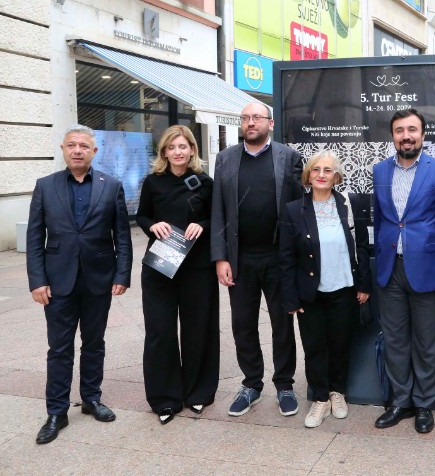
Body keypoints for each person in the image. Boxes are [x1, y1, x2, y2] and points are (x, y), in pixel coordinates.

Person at [26, 125, 133, 444]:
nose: (77, 150)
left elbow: (122, 237)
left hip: (99, 279)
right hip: (57, 281)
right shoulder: (45, 186)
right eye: (71, 145)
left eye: (83, 146)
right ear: (62, 149)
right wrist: (37, 280)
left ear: (94, 151)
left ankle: (91, 399)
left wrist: (121, 275)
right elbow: (34, 238)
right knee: (59, 347)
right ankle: (57, 411)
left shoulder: (110, 185)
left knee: (94, 343)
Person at [211, 102, 304, 417]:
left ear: (271, 123)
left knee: (282, 324)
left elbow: (297, 208)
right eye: (245, 118)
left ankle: (284, 385)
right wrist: (220, 257)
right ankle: (251, 383)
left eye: (256, 118)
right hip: (240, 259)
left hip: (278, 258)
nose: (250, 122)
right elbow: (218, 211)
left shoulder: (288, 158)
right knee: (243, 324)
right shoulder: (225, 159)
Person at [372, 108, 435, 434]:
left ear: (423, 134)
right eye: (399, 130)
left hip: (428, 270)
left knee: (426, 342)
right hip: (389, 270)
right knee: (395, 341)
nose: (406, 135)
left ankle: (424, 404)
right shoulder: (379, 171)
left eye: (412, 129)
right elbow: (381, 221)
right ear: (393, 135)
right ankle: (400, 401)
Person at [279, 150, 371, 428]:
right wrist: (291, 298)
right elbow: (285, 257)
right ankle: (320, 398)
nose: (321, 174)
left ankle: (337, 393)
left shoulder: (348, 204)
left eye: (327, 170)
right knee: (314, 347)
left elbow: (363, 247)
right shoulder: (294, 210)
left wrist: (364, 284)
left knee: (340, 344)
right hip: (311, 294)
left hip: (344, 289)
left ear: (336, 176)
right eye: (316, 169)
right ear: (308, 175)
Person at [136, 126, 218, 424]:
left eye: (183, 146)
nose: (178, 152)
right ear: (164, 152)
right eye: (172, 147)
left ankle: (197, 393)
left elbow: (215, 217)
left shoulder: (206, 183)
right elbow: (142, 214)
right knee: (160, 332)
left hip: (197, 268)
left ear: (193, 149)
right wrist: (151, 226)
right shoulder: (153, 182)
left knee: (199, 329)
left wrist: (203, 225)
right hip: (161, 266)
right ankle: (165, 398)